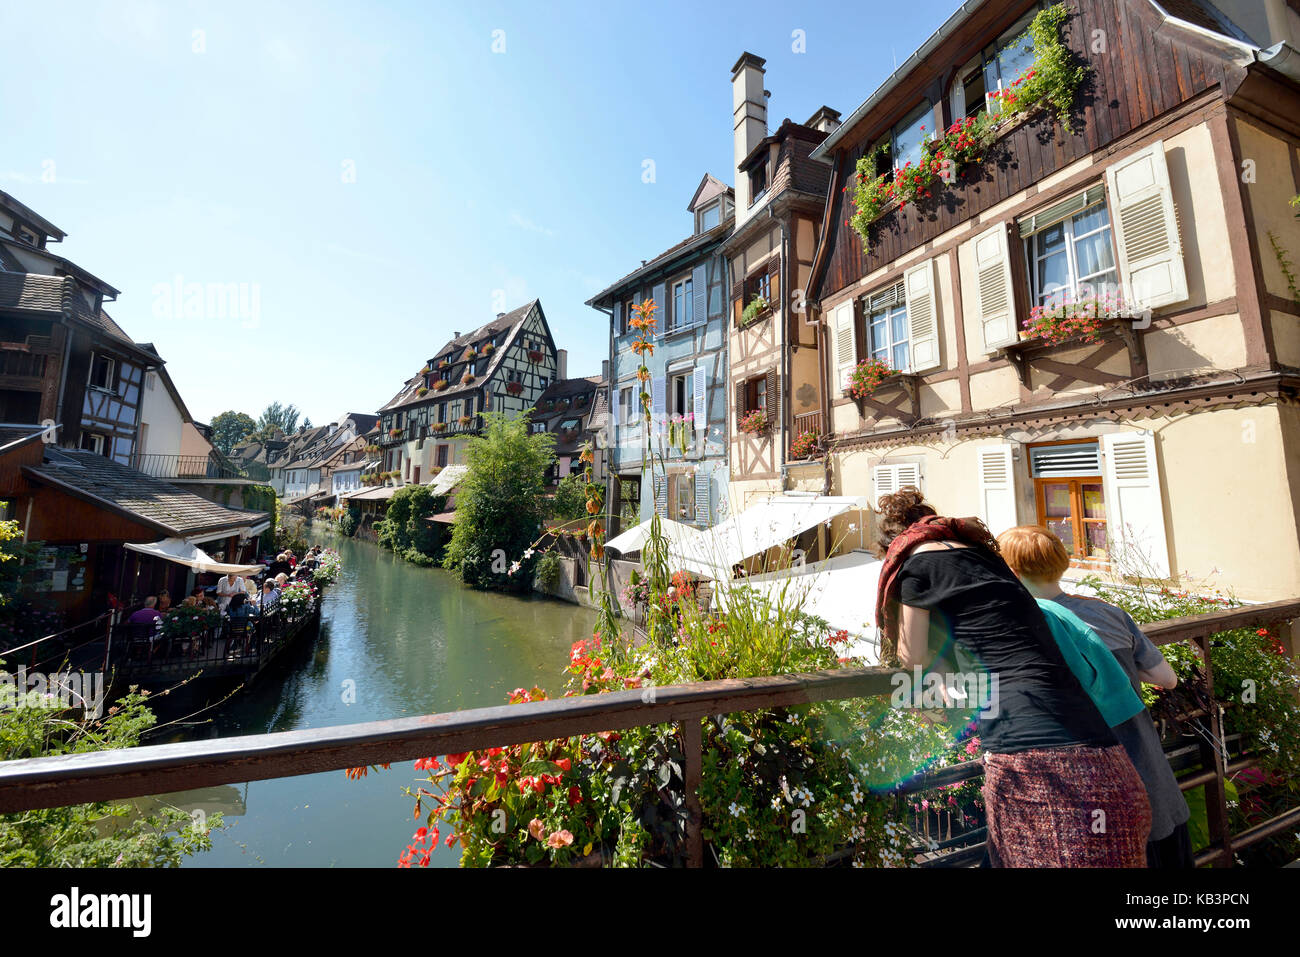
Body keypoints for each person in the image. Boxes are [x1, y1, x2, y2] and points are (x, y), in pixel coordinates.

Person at [873, 488, 1151, 867]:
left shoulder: (916, 567)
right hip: (1107, 764)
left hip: (1040, 772)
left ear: (894, 545)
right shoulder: (990, 559)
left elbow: (910, 654)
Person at [998, 525, 1193, 868]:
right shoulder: (1107, 613)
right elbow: (1166, 678)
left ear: (1011, 572)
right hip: (1152, 781)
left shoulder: (1020, 629)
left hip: (1091, 800)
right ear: (1061, 563)